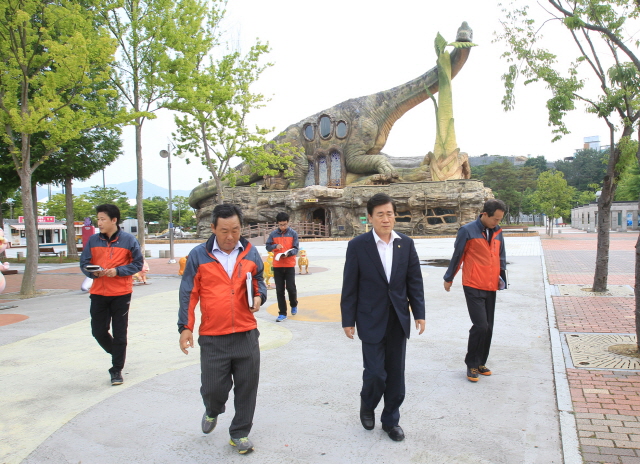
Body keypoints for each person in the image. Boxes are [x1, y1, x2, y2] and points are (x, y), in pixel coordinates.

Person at [178, 204, 266, 455]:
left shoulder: (250, 253)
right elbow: (188, 293)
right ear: (213, 228)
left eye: (236, 230)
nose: (230, 237)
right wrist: (186, 327)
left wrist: (260, 296)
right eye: (224, 231)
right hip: (213, 337)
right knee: (213, 389)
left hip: (246, 333)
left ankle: (239, 433)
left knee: (247, 387)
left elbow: (259, 280)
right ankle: (213, 409)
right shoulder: (198, 255)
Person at [341, 193, 426, 442]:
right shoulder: (358, 246)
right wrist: (348, 320)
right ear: (369, 218)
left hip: (398, 319)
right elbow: (350, 286)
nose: (386, 218)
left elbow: (414, 282)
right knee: (376, 373)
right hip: (369, 318)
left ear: (394, 215)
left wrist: (419, 313)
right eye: (380, 214)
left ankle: (391, 420)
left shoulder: (406, 244)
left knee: (396, 375)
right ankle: (367, 404)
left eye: (389, 213)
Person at [443, 199, 507, 383]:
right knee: (481, 325)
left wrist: (502, 279)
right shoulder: (467, 230)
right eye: (495, 219)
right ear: (485, 214)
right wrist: (449, 277)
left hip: (491, 284)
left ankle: (480, 363)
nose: (497, 222)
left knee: (489, 327)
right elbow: (458, 255)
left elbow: (501, 256)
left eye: (500, 219)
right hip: (473, 283)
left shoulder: (498, 231)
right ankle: (471, 363)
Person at [80, 204, 143, 386]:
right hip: (98, 292)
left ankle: (116, 370)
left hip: (121, 294)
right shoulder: (93, 241)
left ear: (114, 220)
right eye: (98, 219)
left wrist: (118, 271)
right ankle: (117, 352)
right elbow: (84, 262)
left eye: (102, 219)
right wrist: (92, 272)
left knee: (120, 333)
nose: (98, 223)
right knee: (98, 331)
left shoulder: (129, 240)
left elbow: (137, 264)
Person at [265, 212, 299, 322]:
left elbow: (296, 248)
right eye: (280, 224)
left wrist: (289, 253)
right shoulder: (273, 234)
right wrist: (275, 246)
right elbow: (268, 247)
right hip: (278, 264)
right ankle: (282, 313)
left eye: (284, 224)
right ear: (277, 224)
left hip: (289, 264)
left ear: (288, 223)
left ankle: (294, 304)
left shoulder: (293, 233)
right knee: (279, 290)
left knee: (291, 288)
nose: (282, 227)